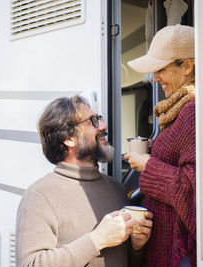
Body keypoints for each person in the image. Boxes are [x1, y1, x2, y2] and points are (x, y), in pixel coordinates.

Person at [15, 95, 153, 267]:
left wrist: (136, 247)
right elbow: (31, 264)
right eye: (92, 121)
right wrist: (98, 239)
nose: (103, 126)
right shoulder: (39, 196)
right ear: (69, 139)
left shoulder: (116, 188)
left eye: (99, 119)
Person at [125, 24, 196, 267]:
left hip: (179, 251)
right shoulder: (180, 108)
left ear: (187, 66)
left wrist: (148, 166)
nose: (155, 78)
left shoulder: (191, 112)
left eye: (161, 69)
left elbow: (192, 189)